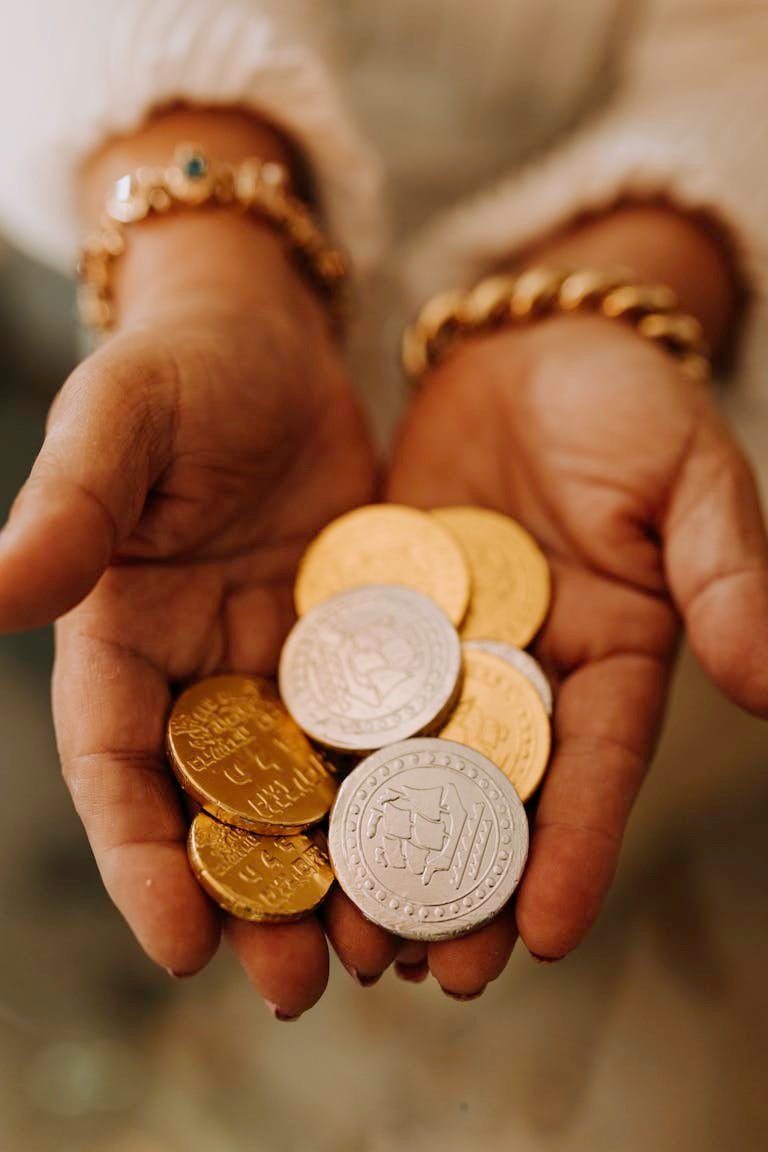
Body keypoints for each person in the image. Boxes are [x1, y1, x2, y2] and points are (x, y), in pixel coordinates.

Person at [0, 0, 766, 1023]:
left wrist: (659, 258)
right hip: (164, 226)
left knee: (598, 870)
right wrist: (208, 263)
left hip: (658, 404)